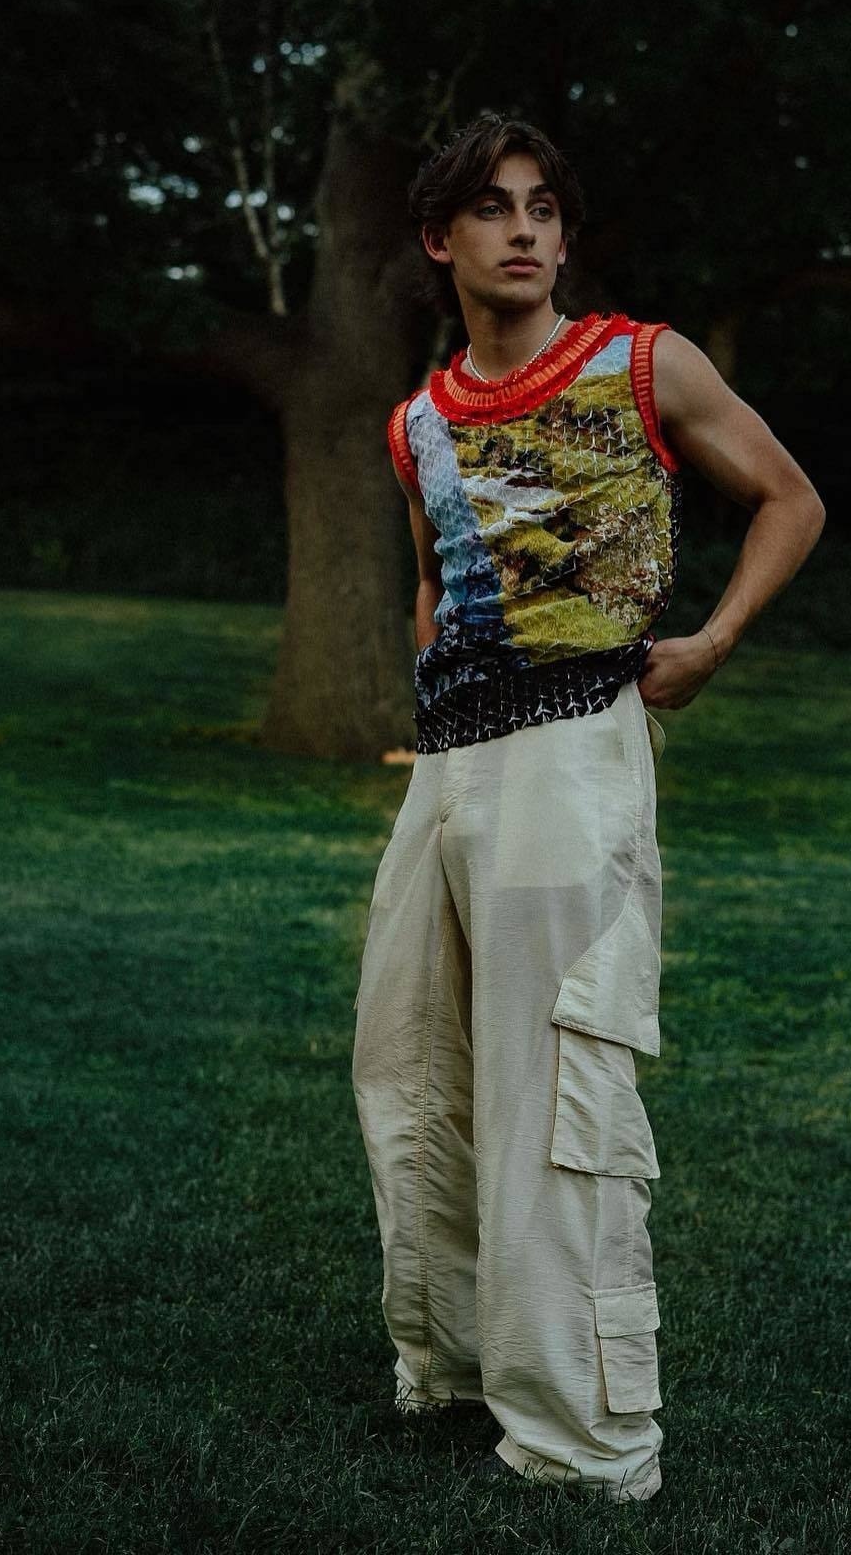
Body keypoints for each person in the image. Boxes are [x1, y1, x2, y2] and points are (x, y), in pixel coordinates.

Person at [351, 110, 825, 1503]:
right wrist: (431, 707)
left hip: (573, 746)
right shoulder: (417, 421)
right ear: (439, 240)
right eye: (492, 208)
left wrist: (714, 641)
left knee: (553, 1076)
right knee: (412, 1065)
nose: (524, 231)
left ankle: (585, 1434)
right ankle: (450, 1364)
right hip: (452, 764)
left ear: (564, 236)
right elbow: (436, 575)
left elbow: (790, 499)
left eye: (543, 208)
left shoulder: (642, 361)